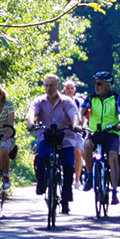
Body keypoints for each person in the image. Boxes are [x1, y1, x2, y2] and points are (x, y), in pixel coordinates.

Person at [28, 74, 80, 214]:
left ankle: (66, 198)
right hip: (46, 137)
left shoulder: (67, 101)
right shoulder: (39, 100)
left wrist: (75, 125)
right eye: (46, 85)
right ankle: (42, 183)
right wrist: (31, 122)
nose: (49, 88)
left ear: (58, 86)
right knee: (42, 157)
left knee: (68, 166)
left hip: (65, 138)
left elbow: (74, 114)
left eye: (51, 85)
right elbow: (32, 112)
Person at [80, 71, 120, 205]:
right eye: (95, 83)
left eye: (100, 83)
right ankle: (89, 176)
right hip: (95, 131)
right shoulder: (91, 97)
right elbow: (82, 112)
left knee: (113, 157)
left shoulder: (117, 97)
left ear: (108, 85)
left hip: (111, 132)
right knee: (87, 147)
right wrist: (83, 123)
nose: (97, 86)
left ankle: (114, 191)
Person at [62, 79, 87, 188]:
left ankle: (77, 179)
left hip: (76, 131)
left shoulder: (79, 102)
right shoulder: (61, 101)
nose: (70, 90)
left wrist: (84, 125)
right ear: (64, 89)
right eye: (68, 88)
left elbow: (83, 116)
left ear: (75, 89)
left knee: (78, 152)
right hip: (63, 131)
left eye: (72, 88)